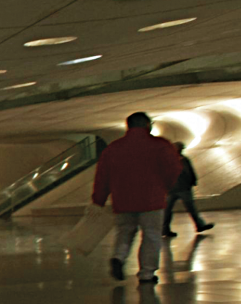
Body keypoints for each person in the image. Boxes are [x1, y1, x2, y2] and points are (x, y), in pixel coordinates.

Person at [91, 111, 183, 285]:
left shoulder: (113, 148)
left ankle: (119, 257)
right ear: (147, 125)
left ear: (128, 126)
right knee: (152, 235)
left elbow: (102, 176)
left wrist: (99, 199)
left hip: (122, 200)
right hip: (152, 200)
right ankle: (146, 274)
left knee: (125, 232)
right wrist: (166, 186)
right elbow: (173, 169)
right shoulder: (161, 145)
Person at [161, 142, 214, 237]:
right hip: (178, 188)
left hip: (179, 188)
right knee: (183, 208)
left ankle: (165, 229)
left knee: (170, 209)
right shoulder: (172, 159)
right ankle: (165, 229)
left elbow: (189, 171)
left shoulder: (180, 159)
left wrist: (193, 181)